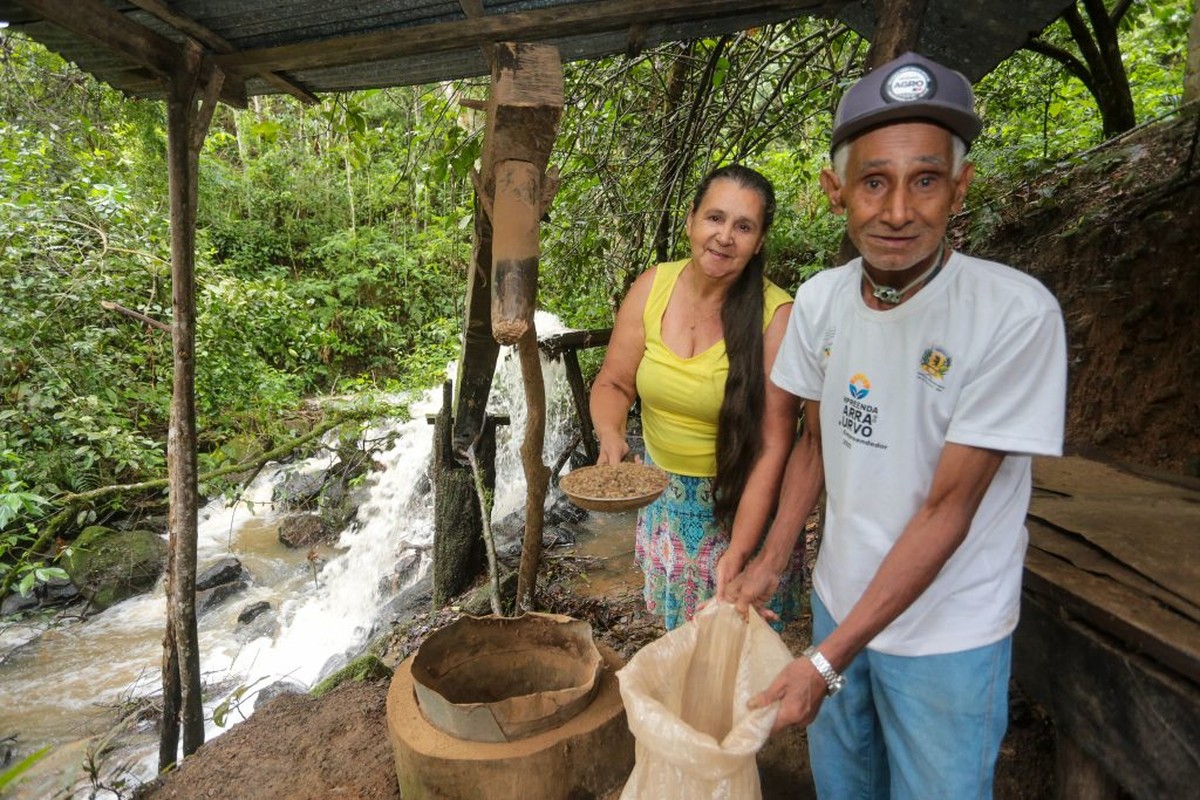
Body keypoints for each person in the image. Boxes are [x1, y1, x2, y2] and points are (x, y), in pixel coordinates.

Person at [724, 52, 1067, 798]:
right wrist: (773, 559)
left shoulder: (1014, 315)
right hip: (839, 600)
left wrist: (823, 662)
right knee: (845, 787)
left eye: (926, 180)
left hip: (948, 635)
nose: (898, 211)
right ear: (835, 190)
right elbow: (817, 442)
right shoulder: (819, 301)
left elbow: (949, 509)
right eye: (874, 181)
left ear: (960, 186)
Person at [589, 164, 804, 631]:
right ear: (690, 221)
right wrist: (610, 436)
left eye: (743, 226)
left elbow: (773, 446)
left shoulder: (776, 316)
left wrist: (743, 550)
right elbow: (614, 382)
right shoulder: (652, 287)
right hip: (664, 501)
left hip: (741, 505)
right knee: (680, 645)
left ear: (760, 240)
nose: (725, 236)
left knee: (737, 651)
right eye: (715, 218)